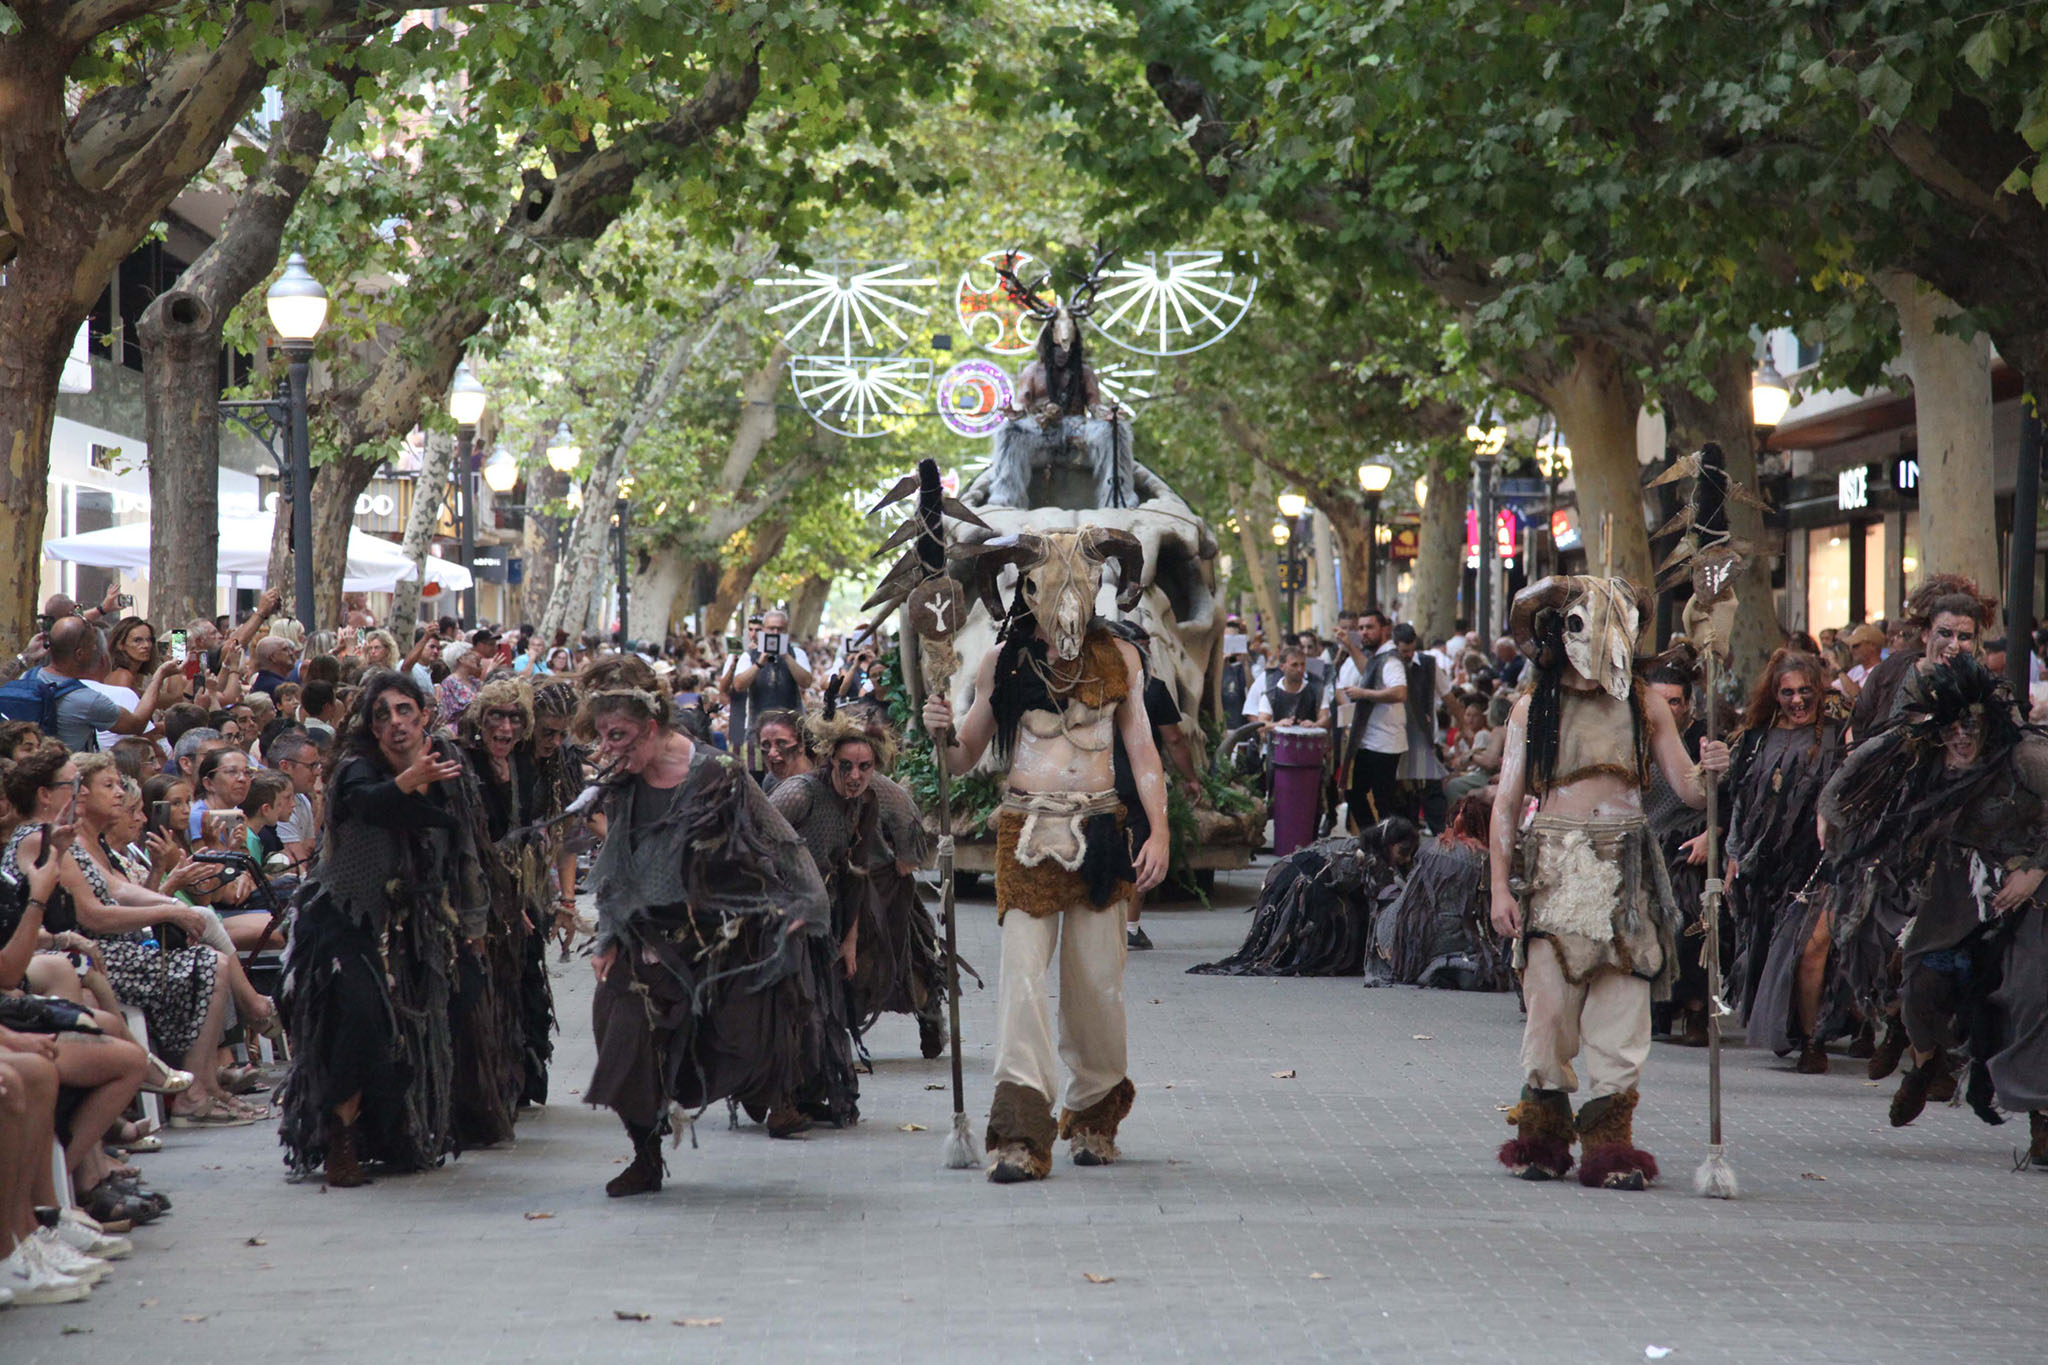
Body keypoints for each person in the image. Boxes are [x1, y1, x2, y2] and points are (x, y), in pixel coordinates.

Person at [922, 528, 1168, 1183]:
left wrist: (1160, 831)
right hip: (1026, 831)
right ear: (1023, 592)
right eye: (1048, 587)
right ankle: (1021, 1136)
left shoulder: (1120, 657)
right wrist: (939, 731)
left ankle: (1092, 1118)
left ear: (1097, 588)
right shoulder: (1000, 663)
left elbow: (1143, 753)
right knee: (1023, 986)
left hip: (1102, 834)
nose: (1065, 601)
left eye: (1079, 586)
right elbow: (963, 755)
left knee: (1097, 986)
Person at [1489, 576, 1728, 1190]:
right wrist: (1497, 888)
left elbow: (1691, 790)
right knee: (1550, 1014)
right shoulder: (1531, 708)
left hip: (1627, 869)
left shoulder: (1645, 704)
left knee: (1623, 1014)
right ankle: (1541, 1136)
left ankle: (1608, 1146)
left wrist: (1717, 767)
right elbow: (1506, 805)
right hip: (1554, 868)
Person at [581, 687, 838, 1197]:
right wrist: (607, 935)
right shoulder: (625, 784)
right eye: (603, 738)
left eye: (620, 736)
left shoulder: (719, 772)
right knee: (622, 1035)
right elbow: (615, 861)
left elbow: (779, 836)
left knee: (741, 1042)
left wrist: (810, 903)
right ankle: (646, 1156)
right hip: (647, 936)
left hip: (722, 938)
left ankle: (772, 1096)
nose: (610, 749)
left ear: (651, 729)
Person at [1819, 655, 2048, 1162]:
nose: (1962, 738)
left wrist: (2035, 868)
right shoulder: (1924, 757)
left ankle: (2042, 1119)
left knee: (2030, 993)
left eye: (1972, 726)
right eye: (1951, 729)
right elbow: (1848, 792)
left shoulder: (2025, 757)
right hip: (1955, 892)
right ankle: (1925, 1065)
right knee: (1920, 983)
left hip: (2029, 891)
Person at [276, 671, 485, 1187]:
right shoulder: (354, 769)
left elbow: (466, 835)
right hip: (343, 919)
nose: (395, 723)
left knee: (452, 1003)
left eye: (404, 711)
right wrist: (408, 783)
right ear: (370, 727)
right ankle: (339, 1138)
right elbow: (370, 803)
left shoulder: (447, 765)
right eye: (382, 715)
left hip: (416, 924)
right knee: (359, 1022)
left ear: (424, 715)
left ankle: (398, 1132)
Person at [1725, 650, 1848, 1072]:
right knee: (1778, 953)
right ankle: (1792, 1029)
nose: (1797, 700)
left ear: (1819, 690)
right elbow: (1738, 801)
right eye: (1787, 692)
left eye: (1805, 692)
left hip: (1823, 863)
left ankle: (1814, 1042)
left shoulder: (1839, 735)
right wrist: (1733, 856)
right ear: (1774, 695)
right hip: (1768, 868)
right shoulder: (1756, 738)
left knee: (1812, 948)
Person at [1191, 817, 1418, 977]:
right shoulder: (1369, 858)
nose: (1405, 860)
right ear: (1388, 844)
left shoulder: (1369, 852)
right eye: (1402, 853)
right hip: (1299, 881)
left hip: (1305, 875)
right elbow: (1381, 901)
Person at [1642, 665, 1714, 1045]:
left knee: (1690, 920)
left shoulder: (1702, 739)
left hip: (1688, 845)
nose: (1668, 709)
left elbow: (1726, 799)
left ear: (1688, 705)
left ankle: (1696, 1010)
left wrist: (1712, 834)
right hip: (1641, 842)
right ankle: (1657, 1007)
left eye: (1675, 701)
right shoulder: (1632, 739)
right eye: (1659, 701)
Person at [30, 618, 181, 752]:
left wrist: (24, 658)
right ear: (80, 655)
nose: (146, 645)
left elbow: (171, 699)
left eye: (150, 640)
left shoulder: (29, 676)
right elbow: (137, 725)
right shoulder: (90, 697)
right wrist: (160, 676)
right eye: (93, 648)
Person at [1337, 612, 1406, 832]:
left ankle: (1389, 847)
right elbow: (1367, 670)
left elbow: (1400, 692)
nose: (1364, 632)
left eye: (1370, 627)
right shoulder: (1377, 657)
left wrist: (1364, 693)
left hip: (1385, 743)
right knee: (1354, 792)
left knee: (1382, 801)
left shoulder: (1391, 660)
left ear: (1384, 629)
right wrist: (1349, 646)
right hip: (1370, 741)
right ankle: (1375, 841)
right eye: (1361, 628)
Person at [1392, 623, 1453, 831]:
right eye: (1403, 652)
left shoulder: (1429, 664)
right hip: (1400, 744)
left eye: (1410, 651)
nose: (1407, 656)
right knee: (1405, 801)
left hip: (1426, 743)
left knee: (1432, 799)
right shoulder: (1389, 666)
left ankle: (1442, 845)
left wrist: (1464, 727)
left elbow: (1448, 696)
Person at [756, 710, 814, 793]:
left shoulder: (819, 781)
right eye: (766, 745)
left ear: (801, 744)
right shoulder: (770, 782)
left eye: (781, 743)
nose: (771, 753)